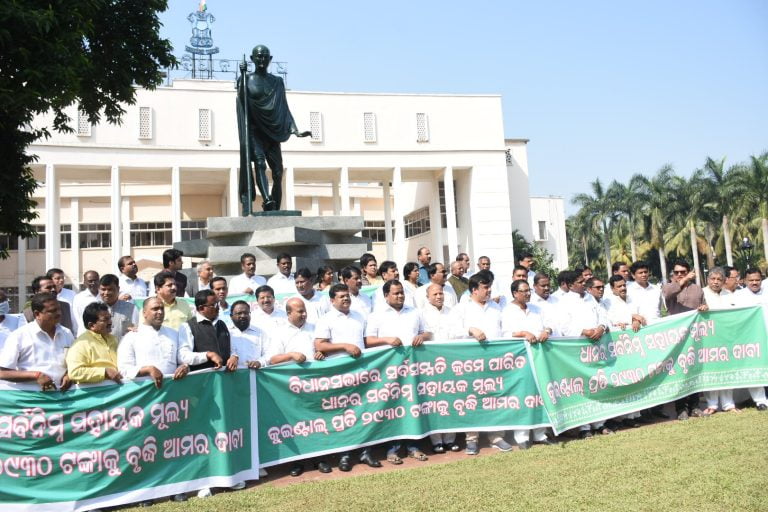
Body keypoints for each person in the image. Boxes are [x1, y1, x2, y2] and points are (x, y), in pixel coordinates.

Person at [117, 296, 191, 504]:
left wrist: (184, 367)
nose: (159, 312)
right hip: (144, 402)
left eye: (161, 309)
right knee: (145, 446)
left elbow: (180, 360)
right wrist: (146, 369)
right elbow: (123, 369)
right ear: (144, 313)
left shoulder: (173, 334)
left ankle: (176, 487)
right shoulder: (132, 337)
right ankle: (146, 492)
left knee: (172, 445)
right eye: (155, 309)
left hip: (172, 401)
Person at [237, 44, 310, 213]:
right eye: (258, 56)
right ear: (252, 59)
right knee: (260, 164)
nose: (261, 59)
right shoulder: (246, 79)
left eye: (265, 56)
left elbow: (284, 108)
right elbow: (242, 102)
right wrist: (241, 79)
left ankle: (274, 206)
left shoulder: (277, 82)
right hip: (255, 132)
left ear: (270, 59)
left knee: (278, 173)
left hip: (273, 133)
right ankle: (267, 199)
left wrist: (295, 129)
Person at [314, 284, 380, 471]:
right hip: (340, 374)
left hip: (362, 372)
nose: (345, 299)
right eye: (341, 296)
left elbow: (367, 341)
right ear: (332, 300)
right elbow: (319, 345)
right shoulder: (326, 319)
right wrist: (345, 346)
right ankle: (344, 455)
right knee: (344, 414)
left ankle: (365, 451)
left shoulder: (359, 315)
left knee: (365, 411)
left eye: (347, 296)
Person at [366, 280, 432, 464]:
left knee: (411, 406)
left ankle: (413, 446)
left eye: (401, 292)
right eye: (395, 293)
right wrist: (387, 340)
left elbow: (428, 333)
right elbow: (368, 341)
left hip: (412, 369)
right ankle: (392, 449)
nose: (400, 296)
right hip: (388, 371)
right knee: (392, 408)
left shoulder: (415, 312)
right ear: (386, 295)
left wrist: (421, 336)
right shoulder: (376, 315)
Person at [266, 297, 329, 476]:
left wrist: (319, 354)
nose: (303, 314)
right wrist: (291, 355)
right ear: (288, 313)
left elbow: (322, 349)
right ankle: (298, 461)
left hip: (314, 384)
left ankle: (320, 458)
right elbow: (272, 359)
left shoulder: (314, 328)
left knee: (317, 422)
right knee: (296, 424)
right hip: (290, 387)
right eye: (299, 311)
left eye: (304, 311)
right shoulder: (279, 332)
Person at [452, 270, 512, 454]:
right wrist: (470, 330)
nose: (489, 291)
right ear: (474, 290)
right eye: (485, 288)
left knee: (495, 398)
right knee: (473, 400)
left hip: (495, 362)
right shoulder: (461, 309)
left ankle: (496, 436)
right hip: (471, 364)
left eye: (489, 288)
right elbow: (450, 333)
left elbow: (505, 331)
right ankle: (472, 439)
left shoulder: (496, 308)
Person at [556, 270, 612, 438]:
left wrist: (601, 328)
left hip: (595, 349)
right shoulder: (563, 302)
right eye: (580, 282)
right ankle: (584, 427)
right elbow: (563, 326)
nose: (584, 284)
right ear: (570, 285)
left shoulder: (590, 298)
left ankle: (599, 423)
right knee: (580, 387)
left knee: (597, 384)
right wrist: (585, 331)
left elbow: (603, 316)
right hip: (577, 349)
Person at [501, 279, 554, 449]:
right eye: (524, 291)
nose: (528, 293)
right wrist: (524, 333)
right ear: (515, 293)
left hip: (540, 357)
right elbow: (506, 334)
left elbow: (550, 325)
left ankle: (540, 433)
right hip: (520, 360)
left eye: (529, 290)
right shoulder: (508, 311)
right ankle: (522, 436)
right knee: (522, 396)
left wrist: (546, 331)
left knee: (540, 394)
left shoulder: (537, 309)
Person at [662, 259, 708, 421]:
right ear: (672, 274)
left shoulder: (697, 289)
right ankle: (681, 408)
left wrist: (704, 308)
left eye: (683, 272)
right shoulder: (669, 287)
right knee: (679, 372)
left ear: (688, 271)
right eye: (677, 272)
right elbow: (667, 296)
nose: (679, 275)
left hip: (695, 336)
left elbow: (704, 305)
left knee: (694, 369)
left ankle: (695, 406)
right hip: (676, 338)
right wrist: (683, 281)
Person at [0, 292, 73, 391]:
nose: (59, 313)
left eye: (59, 309)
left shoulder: (66, 333)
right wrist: (36, 376)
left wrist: (68, 374)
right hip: (31, 398)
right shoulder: (19, 336)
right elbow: (2, 373)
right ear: (37, 314)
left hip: (63, 395)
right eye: (52, 311)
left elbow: (73, 362)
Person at [420, 283, 461, 453]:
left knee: (451, 400)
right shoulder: (421, 314)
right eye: (435, 294)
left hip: (451, 361)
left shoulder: (452, 312)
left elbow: (458, 333)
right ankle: (437, 440)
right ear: (428, 296)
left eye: (441, 293)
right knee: (435, 402)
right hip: (431, 363)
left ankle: (450, 439)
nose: (439, 296)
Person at [700, 267, 740, 416]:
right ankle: (712, 404)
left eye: (719, 279)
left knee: (727, 370)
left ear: (724, 281)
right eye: (713, 279)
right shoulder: (701, 293)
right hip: (708, 339)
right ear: (708, 279)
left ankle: (728, 404)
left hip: (726, 338)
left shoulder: (729, 295)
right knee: (711, 371)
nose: (716, 282)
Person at [733, 268, 768, 412]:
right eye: (751, 280)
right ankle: (760, 401)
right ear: (745, 281)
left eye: (757, 280)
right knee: (756, 369)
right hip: (751, 339)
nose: (755, 283)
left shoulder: (766, 292)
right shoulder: (738, 296)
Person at [179, 290, 237, 372]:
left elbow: (231, 348)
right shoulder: (188, 326)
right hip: (203, 379)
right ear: (201, 308)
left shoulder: (222, 324)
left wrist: (234, 356)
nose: (218, 307)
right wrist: (207, 355)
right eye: (214, 305)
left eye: (218, 303)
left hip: (224, 378)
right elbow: (183, 356)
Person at [66, 302, 121, 384]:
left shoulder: (113, 339)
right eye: (105, 319)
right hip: (97, 394)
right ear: (91, 325)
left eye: (110, 318)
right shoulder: (81, 344)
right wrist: (104, 372)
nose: (110, 322)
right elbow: (75, 372)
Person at [99, 274, 139, 341]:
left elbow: (137, 331)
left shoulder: (131, 308)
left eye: (110, 289)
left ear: (118, 289)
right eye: (103, 289)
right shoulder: (94, 309)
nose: (106, 293)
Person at [72, 270, 100, 335]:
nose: (93, 283)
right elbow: (76, 318)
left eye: (95, 280)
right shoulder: (79, 298)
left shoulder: (104, 296)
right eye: (90, 281)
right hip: (85, 333)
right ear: (84, 282)